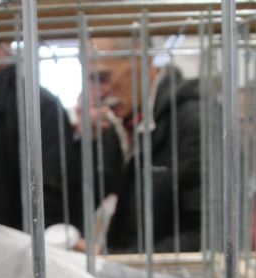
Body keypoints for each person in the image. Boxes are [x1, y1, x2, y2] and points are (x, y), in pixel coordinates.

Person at [81, 37, 203, 254]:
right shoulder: (121, 123)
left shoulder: (196, 122)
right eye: (89, 81)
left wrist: (113, 260)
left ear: (143, 61)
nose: (95, 94)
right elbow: (83, 200)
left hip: (175, 272)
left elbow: (206, 235)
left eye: (102, 78)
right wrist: (85, 143)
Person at [0, 42, 84, 232]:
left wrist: (33, 242)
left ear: (5, 43)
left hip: (16, 237)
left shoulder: (37, 104)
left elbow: (50, 188)